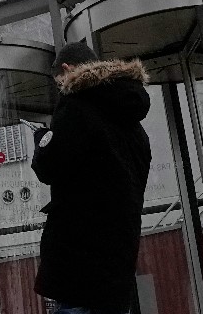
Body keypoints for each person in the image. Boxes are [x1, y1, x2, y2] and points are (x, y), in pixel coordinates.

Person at [32, 40, 152, 314]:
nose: (60, 87)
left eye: (59, 81)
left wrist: (42, 139)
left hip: (79, 258)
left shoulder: (76, 106)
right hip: (119, 258)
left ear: (66, 69)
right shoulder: (133, 122)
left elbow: (49, 168)